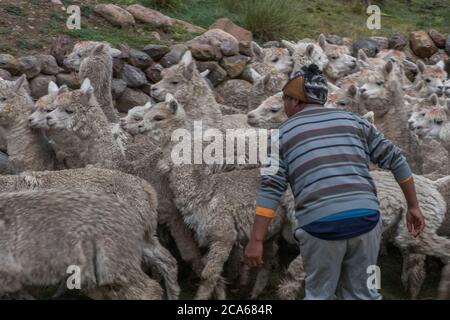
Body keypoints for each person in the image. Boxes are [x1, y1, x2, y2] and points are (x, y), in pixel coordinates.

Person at [244, 64, 426, 300]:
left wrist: (256, 240)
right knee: (364, 293)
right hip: (367, 221)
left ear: (294, 101)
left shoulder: (281, 135)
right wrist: (413, 206)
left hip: (321, 225)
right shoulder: (355, 122)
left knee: (320, 294)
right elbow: (396, 159)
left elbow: (270, 190)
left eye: (286, 99)